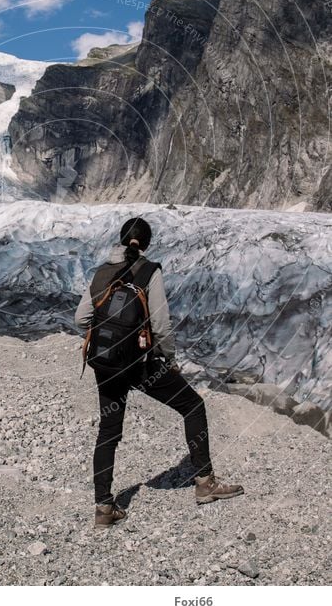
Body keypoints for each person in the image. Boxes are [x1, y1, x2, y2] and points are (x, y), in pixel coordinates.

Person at [74, 217, 244, 528]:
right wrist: (168, 359)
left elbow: (80, 318)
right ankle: (205, 483)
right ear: (146, 243)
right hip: (140, 364)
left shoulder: (102, 272)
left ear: (120, 239)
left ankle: (103, 508)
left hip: (106, 363)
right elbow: (162, 325)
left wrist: (105, 339)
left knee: (108, 432)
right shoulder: (149, 272)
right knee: (192, 405)